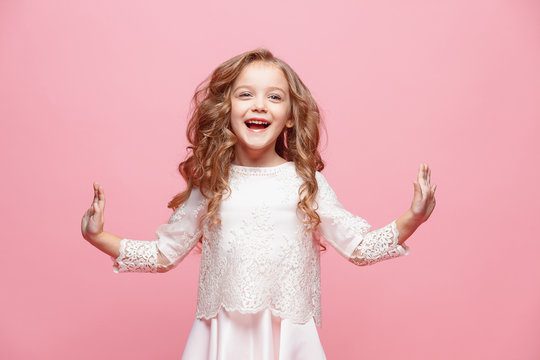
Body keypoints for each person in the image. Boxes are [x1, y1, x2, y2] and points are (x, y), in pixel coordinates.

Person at [81, 48, 436, 359]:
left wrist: (414, 217)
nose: (259, 105)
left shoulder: (304, 183)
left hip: (289, 340)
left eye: (275, 97)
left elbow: (359, 247)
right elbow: (163, 254)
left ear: (291, 116)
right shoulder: (212, 184)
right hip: (221, 341)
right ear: (226, 108)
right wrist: (98, 237)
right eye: (246, 94)